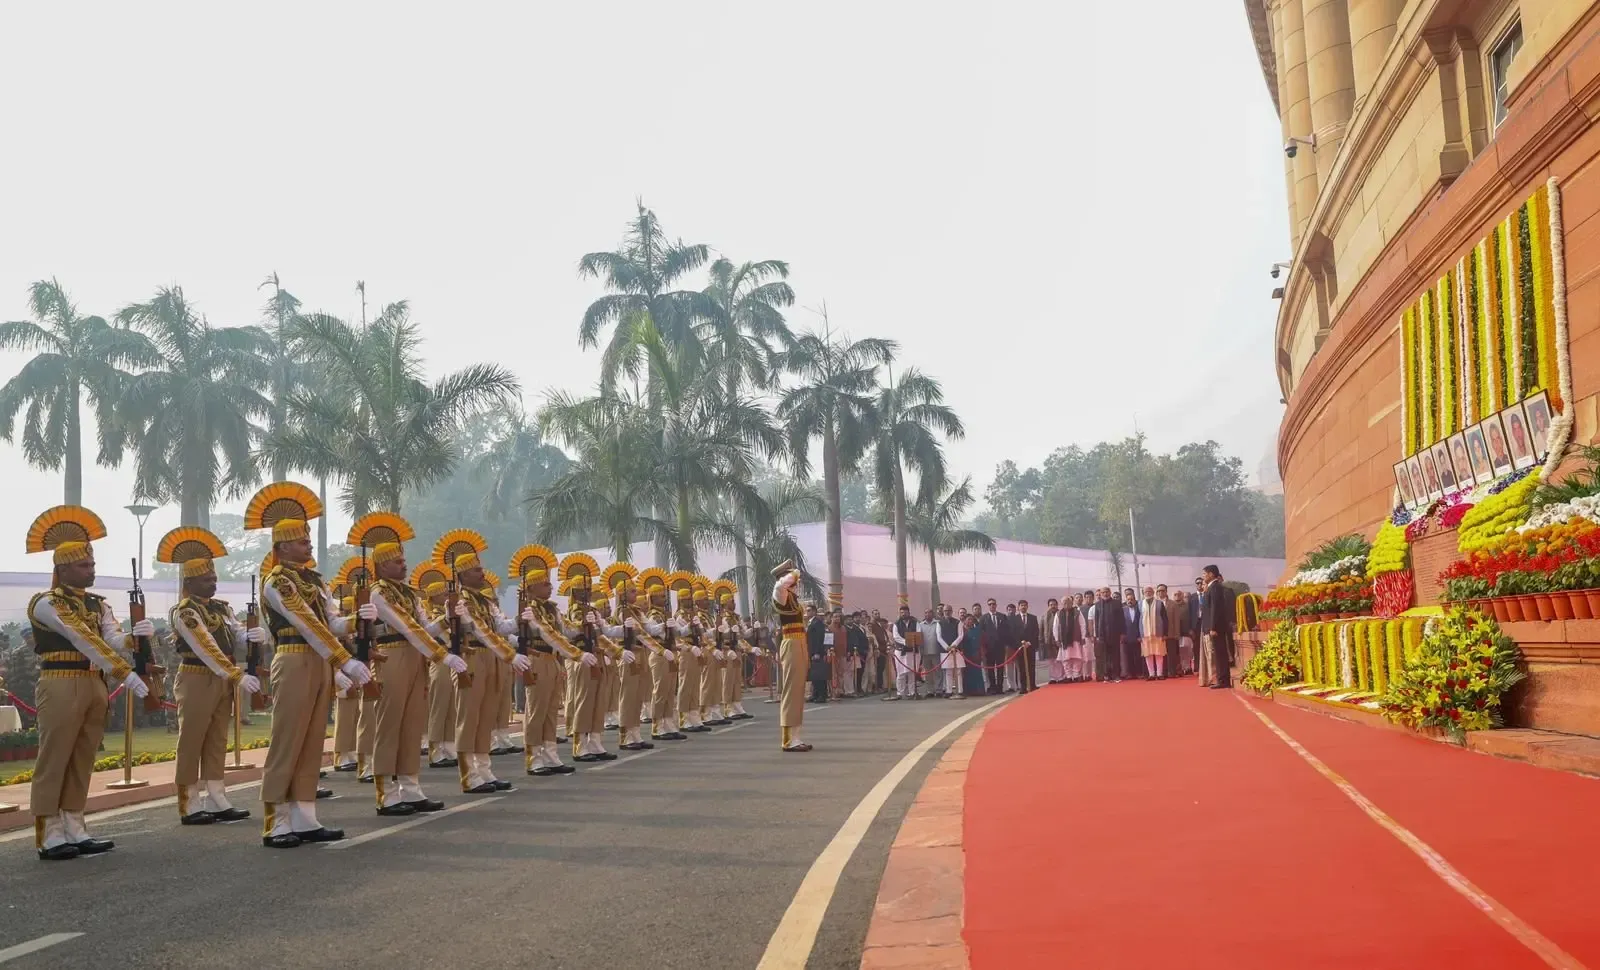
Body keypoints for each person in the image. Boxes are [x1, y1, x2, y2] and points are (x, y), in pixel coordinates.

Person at [25, 505, 153, 860]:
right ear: (63, 568)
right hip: (61, 681)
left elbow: (109, 638)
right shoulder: (47, 603)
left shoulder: (98, 604)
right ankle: (49, 833)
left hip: (93, 682)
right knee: (55, 757)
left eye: (93, 565)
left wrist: (133, 638)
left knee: (82, 757)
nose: (91, 570)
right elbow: (82, 637)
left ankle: (75, 826)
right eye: (84, 565)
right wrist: (123, 672)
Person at [248, 482, 371, 848]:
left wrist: (355, 619)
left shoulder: (315, 581)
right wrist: (345, 660)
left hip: (319, 661)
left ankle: (304, 816)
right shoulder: (277, 581)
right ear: (282, 546)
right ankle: (276, 820)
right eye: (302, 541)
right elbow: (305, 622)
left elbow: (330, 622)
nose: (309, 545)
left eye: (308, 540)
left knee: (313, 740)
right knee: (288, 739)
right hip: (296, 658)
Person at [351, 513, 466, 816]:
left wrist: (445, 618)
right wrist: (441, 655)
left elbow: (423, 629)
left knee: (412, 725)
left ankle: (410, 788)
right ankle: (386, 793)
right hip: (392, 656)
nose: (404, 564)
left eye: (403, 560)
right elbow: (404, 626)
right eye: (397, 561)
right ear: (381, 565)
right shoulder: (378, 593)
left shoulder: (409, 594)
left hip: (415, 655)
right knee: (390, 725)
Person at [158, 525, 263, 825]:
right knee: (192, 740)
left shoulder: (221, 608)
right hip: (197, 676)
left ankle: (217, 796)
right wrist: (236, 675)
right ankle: (189, 802)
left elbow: (236, 635)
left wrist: (253, 635)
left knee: (217, 739)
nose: (213, 583)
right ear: (190, 582)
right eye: (207, 579)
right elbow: (204, 645)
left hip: (221, 678)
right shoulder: (185, 611)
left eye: (215, 577)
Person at [446, 530, 532, 788]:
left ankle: (484, 770)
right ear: (461, 575)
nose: (481, 573)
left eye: (480, 569)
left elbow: (499, 627)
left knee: (486, 717)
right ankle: (469, 776)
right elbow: (479, 631)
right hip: (472, 657)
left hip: (490, 657)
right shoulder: (459, 601)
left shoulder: (484, 599)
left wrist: (518, 621)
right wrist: (510, 654)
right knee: (469, 717)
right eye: (475, 571)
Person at [512, 545, 582, 773]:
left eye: (550, 583)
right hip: (538, 658)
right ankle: (534, 758)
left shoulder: (552, 609)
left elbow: (567, 629)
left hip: (553, 659)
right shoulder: (529, 609)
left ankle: (551, 755)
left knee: (552, 709)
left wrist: (587, 626)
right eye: (545, 584)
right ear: (531, 587)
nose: (550, 587)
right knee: (536, 710)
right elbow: (546, 633)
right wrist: (577, 653)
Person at [771, 560, 812, 752]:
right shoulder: (780, 595)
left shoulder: (794, 599)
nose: (797, 583)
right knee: (790, 690)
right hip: (791, 642)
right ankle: (788, 739)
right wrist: (793, 573)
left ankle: (796, 736)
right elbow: (781, 585)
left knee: (798, 691)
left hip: (800, 643)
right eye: (795, 580)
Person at [1200, 564, 1233, 689]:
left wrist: (1213, 627)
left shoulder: (1215, 587)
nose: (1203, 576)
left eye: (1205, 574)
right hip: (1213, 626)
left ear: (1211, 574)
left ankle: (1223, 680)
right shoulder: (1211, 587)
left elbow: (1215, 608)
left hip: (1217, 628)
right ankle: (1221, 678)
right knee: (1218, 654)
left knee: (1220, 653)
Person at [1093, 587, 1124, 682]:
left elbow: (1121, 619)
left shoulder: (1117, 603)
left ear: (1110, 593)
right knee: (1105, 656)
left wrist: (1122, 633)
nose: (1105, 594)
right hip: (1102, 635)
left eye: (1107, 592)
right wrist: (1097, 635)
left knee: (1115, 655)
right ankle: (1106, 675)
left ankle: (1116, 675)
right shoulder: (1097, 605)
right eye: (1103, 592)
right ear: (1100, 594)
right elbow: (1097, 620)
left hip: (1115, 633)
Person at [889, 605, 919, 700]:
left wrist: (912, 642)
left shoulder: (915, 622)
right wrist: (907, 642)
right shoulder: (896, 624)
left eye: (905, 612)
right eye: (901, 612)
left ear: (909, 613)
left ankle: (912, 692)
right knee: (901, 673)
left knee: (911, 673)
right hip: (901, 651)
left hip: (913, 651)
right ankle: (900, 693)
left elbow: (918, 633)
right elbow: (896, 636)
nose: (903, 614)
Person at [1138, 586, 1168, 680]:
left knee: (1159, 653)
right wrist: (1138, 635)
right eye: (1146, 591)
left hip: (1158, 633)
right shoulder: (1140, 604)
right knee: (1148, 654)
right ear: (1143, 593)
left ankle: (1159, 674)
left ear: (1153, 592)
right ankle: (1151, 674)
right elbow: (1137, 620)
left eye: (1150, 591)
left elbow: (1165, 619)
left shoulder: (1159, 603)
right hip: (1145, 633)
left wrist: (1165, 633)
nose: (1148, 593)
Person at [980, 599, 1009, 694]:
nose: (992, 606)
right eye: (990, 604)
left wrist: (1005, 644)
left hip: (1000, 647)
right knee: (990, 669)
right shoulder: (984, 618)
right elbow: (982, 633)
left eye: (993, 604)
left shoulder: (1002, 616)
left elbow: (1006, 632)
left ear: (996, 605)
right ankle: (992, 687)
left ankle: (1000, 687)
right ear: (988, 606)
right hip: (989, 648)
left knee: (1000, 668)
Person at [1012, 599, 1041, 693]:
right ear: (1018, 607)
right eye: (1021, 605)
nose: (1023, 607)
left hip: (1030, 646)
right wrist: (1020, 643)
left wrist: (1030, 642)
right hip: (1020, 647)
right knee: (1021, 668)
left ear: (1027, 606)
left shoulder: (1033, 618)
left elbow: (1036, 632)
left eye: (1025, 605)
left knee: (1031, 666)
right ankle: (1023, 687)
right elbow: (1013, 633)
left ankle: (1032, 685)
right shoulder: (1014, 619)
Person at [937, 605, 964, 698]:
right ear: (943, 612)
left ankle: (960, 690)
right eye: (945, 611)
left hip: (956, 649)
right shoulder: (939, 623)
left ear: (952, 611)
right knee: (948, 671)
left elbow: (960, 636)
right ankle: (949, 691)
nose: (947, 612)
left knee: (958, 671)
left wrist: (953, 645)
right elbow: (939, 637)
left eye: (948, 610)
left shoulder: (958, 622)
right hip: (945, 650)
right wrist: (947, 647)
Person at [806, 604, 829, 703]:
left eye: (809, 610)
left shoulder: (817, 623)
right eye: (807, 611)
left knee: (819, 675)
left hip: (817, 653)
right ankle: (815, 694)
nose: (807, 612)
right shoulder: (811, 623)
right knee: (814, 675)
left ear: (814, 612)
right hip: (811, 652)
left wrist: (817, 652)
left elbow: (819, 639)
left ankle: (822, 695)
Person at [917, 607, 942, 698]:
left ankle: (938, 690)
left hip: (936, 651)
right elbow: (918, 638)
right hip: (925, 652)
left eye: (929, 612)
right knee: (928, 673)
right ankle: (930, 690)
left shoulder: (938, 623)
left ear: (933, 614)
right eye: (926, 613)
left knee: (938, 672)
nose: (928, 614)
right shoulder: (920, 625)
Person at [1173, 590, 1195, 676]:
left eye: (1179, 594)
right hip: (1175, 633)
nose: (1177, 596)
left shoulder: (1187, 606)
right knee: (1177, 653)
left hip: (1186, 632)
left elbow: (1192, 617)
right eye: (1175, 594)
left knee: (1187, 651)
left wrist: (1191, 629)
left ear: (1182, 596)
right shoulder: (1171, 605)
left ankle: (1188, 668)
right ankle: (1180, 669)